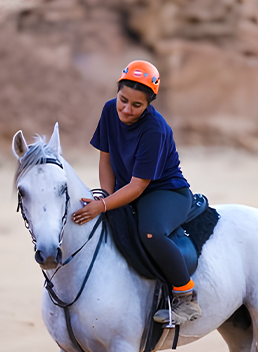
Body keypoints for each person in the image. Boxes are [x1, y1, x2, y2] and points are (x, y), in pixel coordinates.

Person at [71, 60, 202, 325]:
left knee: (150, 232)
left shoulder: (155, 129)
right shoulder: (109, 110)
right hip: (127, 187)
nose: (127, 109)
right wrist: (103, 195)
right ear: (117, 92)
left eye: (137, 105)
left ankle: (186, 295)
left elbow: (138, 185)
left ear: (149, 104)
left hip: (164, 190)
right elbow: (105, 159)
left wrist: (103, 205)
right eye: (123, 100)